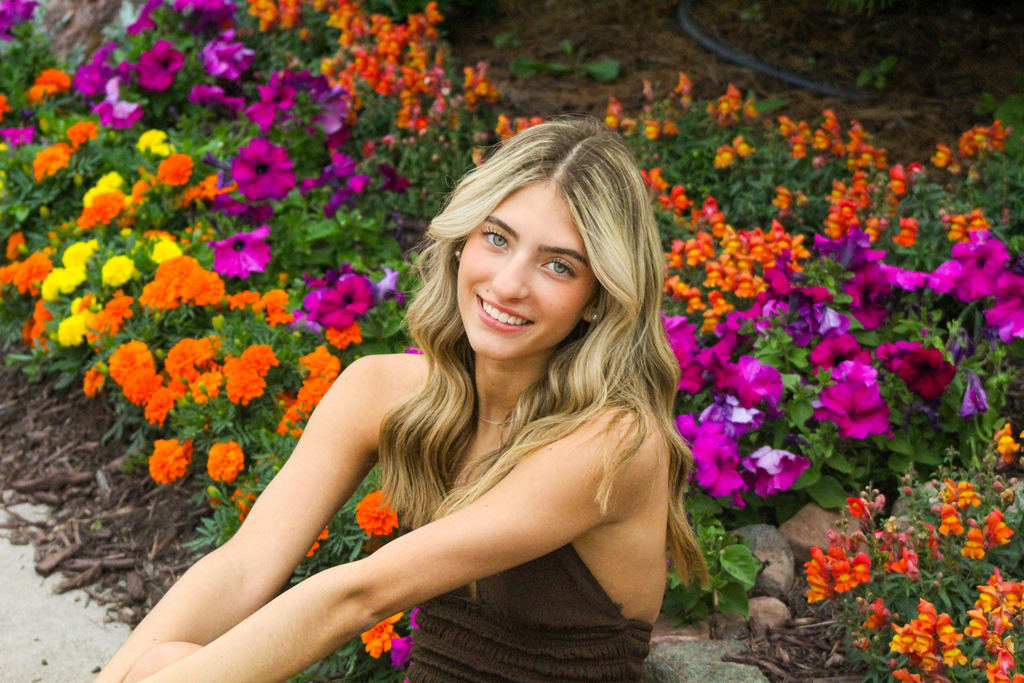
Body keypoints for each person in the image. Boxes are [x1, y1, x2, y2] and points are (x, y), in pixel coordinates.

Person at [96, 115, 707, 683]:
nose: (509, 283)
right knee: (165, 658)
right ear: (463, 239)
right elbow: (245, 565)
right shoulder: (383, 391)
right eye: (497, 238)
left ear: (599, 296)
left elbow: (362, 595)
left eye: (558, 267)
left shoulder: (613, 443)